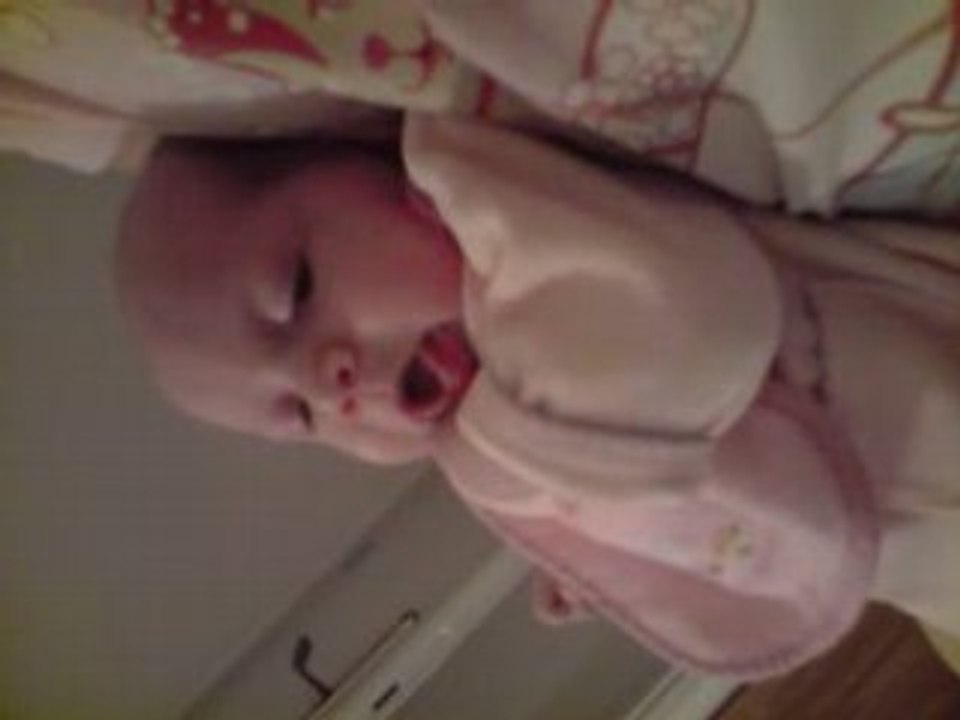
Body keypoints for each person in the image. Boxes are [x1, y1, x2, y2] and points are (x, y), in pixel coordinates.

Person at [116, 115, 960, 679]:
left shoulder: (517, 223)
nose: (325, 383)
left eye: (296, 290)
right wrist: (595, 554)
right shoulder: (479, 438)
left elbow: (692, 324)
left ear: (380, 174)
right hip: (911, 558)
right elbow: (635, 489)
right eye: (296, 415)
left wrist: (533, 464)